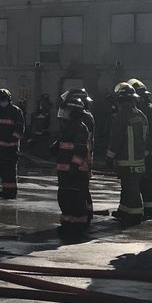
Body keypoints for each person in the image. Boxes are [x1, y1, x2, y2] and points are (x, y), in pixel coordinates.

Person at [106, 82, 150, 225]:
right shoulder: (142, 115)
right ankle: (124, 211)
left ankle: (135, 214)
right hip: (140, 159)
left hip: (126, 159)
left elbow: (116, 138)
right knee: (129, 186)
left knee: (130, 188)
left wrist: (110, 156)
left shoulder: (121, 116)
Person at [51, 91, 94, 232]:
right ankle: (67, 221)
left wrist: (74, 166)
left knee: (76, 197)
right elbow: (65, 144)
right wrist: (56, 147)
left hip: (76, 171)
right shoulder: (69, 127)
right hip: (64, 170)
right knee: (64, 196)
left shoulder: (80, 128)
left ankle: (79, 223)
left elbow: (80, 150)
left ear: (74, 112)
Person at [127, 78, 152, 220]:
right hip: (145, 153)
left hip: (146, 154)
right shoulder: (148, 109)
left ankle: (146, 210)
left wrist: (148, 151)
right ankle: (149, 209)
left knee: (143, 182)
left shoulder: (146, 111)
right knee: (145, 182)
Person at [0, 88, 25, 198]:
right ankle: (5, 190)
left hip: (11, 149)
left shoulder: (16, 111)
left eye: (3, 99)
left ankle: (11, 193)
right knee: (2, 170)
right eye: (0, 100)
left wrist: (12, 140)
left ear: (8, 99)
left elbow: (20, 128)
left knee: (10, 171)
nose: (1, 102)